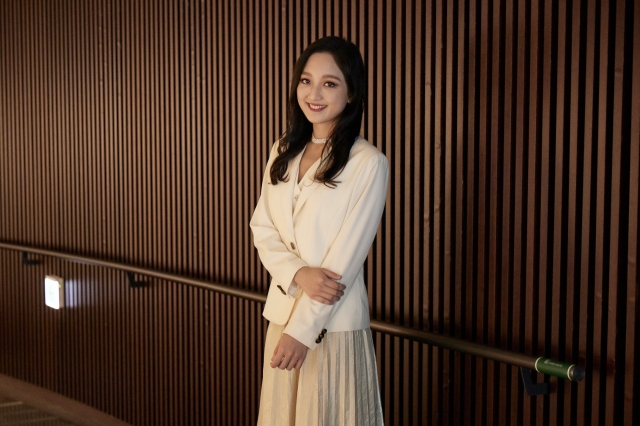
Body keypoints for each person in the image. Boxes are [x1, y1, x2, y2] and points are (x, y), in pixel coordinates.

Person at [250, 36, 388, 426]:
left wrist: (301, 332)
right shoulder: (283, 149)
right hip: (282, 314)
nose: (314, 93)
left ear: (351, 93)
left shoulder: (368, 163)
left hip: (331, 325)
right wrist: (298, 273)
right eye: (306, 81)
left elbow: (345, 258)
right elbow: (262, 228)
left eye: (330, 83)